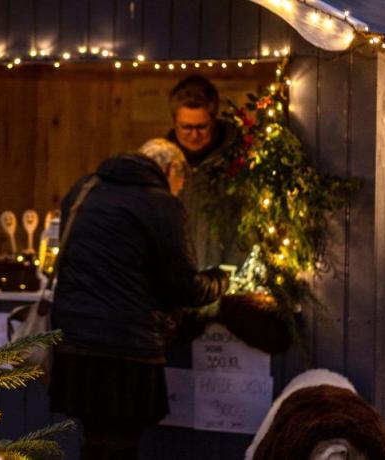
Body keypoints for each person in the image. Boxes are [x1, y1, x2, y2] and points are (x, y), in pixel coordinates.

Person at [49, 138, 230, 459]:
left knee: (95, 441)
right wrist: (220, 279)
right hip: (127, 348)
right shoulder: (161, 203)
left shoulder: (84, 189)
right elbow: (183, 287)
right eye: (180, 182)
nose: (179, 189)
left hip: (74, 342)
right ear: (171, 169)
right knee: (122, 445)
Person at [166, 75, 241, 268]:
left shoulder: (238, 164)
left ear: (213, 121)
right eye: (186, 127)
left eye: (201, 127)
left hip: (227, 280)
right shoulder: (161, 167)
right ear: (174, 123)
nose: (194, 135)